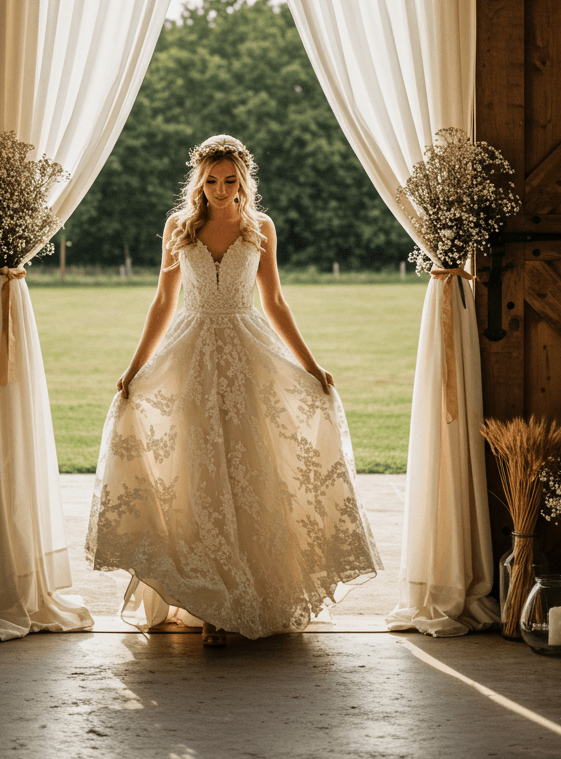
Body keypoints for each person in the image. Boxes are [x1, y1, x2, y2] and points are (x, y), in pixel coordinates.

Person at [86, 134, 380, 645]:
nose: (221, 191)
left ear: (243, 181)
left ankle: (251, 596)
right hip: (191, 356)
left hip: (248, 355)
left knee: (249, 477)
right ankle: (211, 608)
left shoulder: (260, 227)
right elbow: (163, 301)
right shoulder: (178, 227)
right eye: (211, 181)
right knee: (199, 477)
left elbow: (275, 301)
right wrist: (135, 368)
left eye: (229, 181)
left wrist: (311, 365)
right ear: (198, 182)